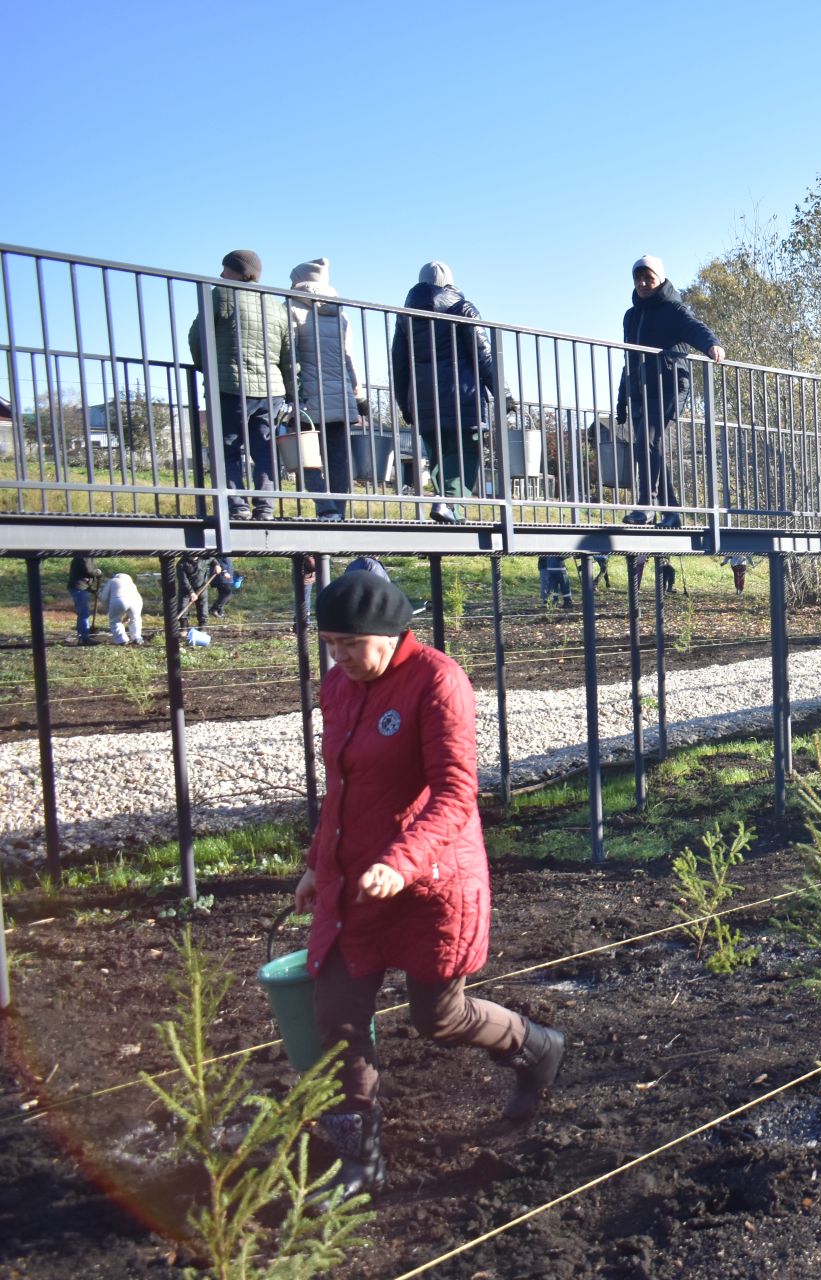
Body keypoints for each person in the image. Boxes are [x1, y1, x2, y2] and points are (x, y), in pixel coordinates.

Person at [297, 572, 566, 1201]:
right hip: (357, 882)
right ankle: (357, 1164)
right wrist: (317, 862)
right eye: (330, 642)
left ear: (390, 636)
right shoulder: (337, 687)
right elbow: (343, 787)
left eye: (349, 643)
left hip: (431, 881)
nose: (338, 657)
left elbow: (454, 792)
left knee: (437, 1017)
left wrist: (403, 860)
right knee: (337, 1015)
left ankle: (537, 1046)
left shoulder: (439, 681)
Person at [616, 256, 725, 528]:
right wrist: (622, 399)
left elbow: (694, 328)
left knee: (645, 443)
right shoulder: (631, 316)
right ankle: (672, 511)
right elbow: (629, 358)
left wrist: (712, 344)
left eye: (648, 278)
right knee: (648, 447)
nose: (642, 283)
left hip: (669, 385)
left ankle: (646, 507)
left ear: (660, 279)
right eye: (638, 278)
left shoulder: (673, 309)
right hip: (640, 388)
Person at [188, 249, 295, 521]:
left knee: (227, 449)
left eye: (224, 269)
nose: (220, 274)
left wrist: (207, 368)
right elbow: (288, 354)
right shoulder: (275, 305)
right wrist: (292, 391)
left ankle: (236, 506)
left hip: (229, 387)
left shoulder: (221, 294)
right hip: (272, 391)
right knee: (265, 449)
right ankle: (266, 508)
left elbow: (197, 337)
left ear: (235, 270)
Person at [393, 262, 501, 525]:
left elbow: (398, 362)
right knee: (467, 454)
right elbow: (483, 354)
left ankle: (452, 513)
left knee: (439, 457)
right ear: (450, 284)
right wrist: (502, 392)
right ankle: (449, 503)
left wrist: (404, 404)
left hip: (423, 399)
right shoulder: (462, 309)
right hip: (462, 397)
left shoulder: (405, 316)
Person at [288, 258, 367, 521]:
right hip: (341, 397)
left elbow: (289, 356)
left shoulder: (291, 309)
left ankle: (325, 507)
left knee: (303, 456)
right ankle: (338, 515)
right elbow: (349, 358)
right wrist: (359, 396)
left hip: (308, 399)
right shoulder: (340, 315)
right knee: (339, 461)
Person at [98, 573, 144, 646]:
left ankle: (121, 639)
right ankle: (137, 638)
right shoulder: (132, 584)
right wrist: (129, 616)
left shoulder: (112, 581)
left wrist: (106, 608)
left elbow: (104, 598)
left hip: (119, 600)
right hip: (136, 602)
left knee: (115, 620)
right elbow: (139, 600)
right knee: (135, 619)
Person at [67, 554, 101, 643]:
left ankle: (82, 636)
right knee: (84, 613)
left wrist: (92, 590)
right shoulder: (84, 555)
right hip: (78, 588)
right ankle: (84, 638)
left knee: (82, 613)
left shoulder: (87, 555)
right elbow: (88, 571)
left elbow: (81, 575)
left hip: (80, 587)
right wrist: (97, 572)